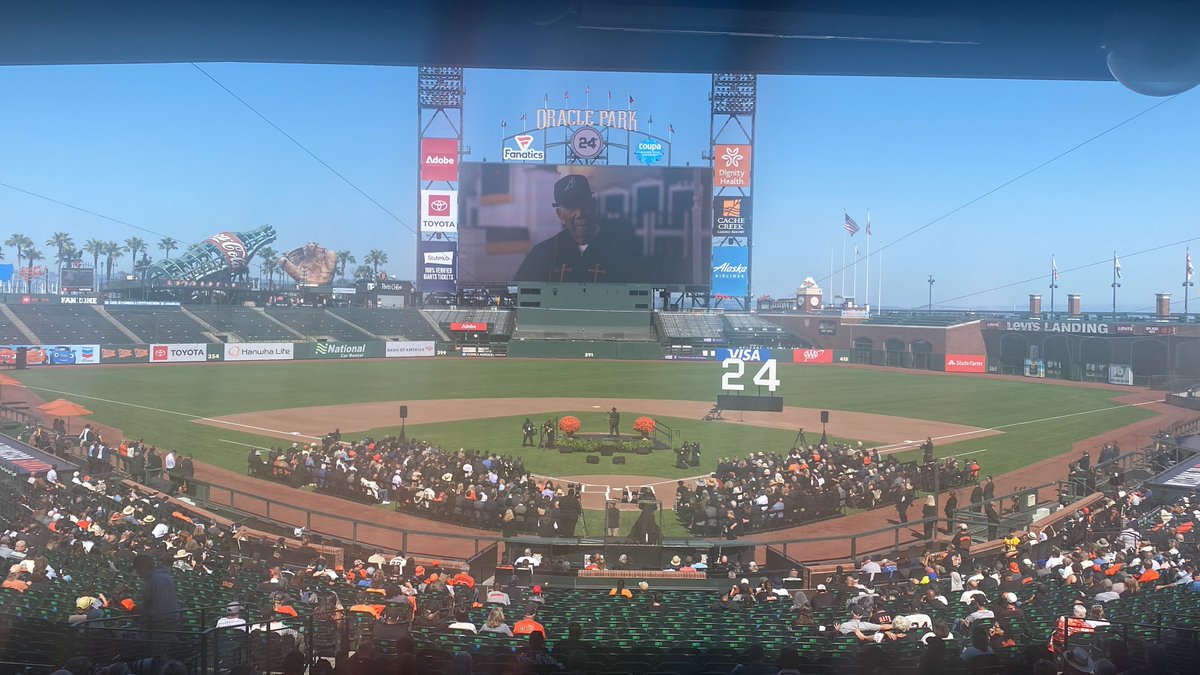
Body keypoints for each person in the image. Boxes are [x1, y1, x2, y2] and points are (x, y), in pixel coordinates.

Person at [513, 174, 644, 283]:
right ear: (560, 215)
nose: (580, 213)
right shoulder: (543, 253)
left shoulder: (622, 251)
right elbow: (518, 294)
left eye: (584, 204)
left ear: (593, 205)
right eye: (571, 206)